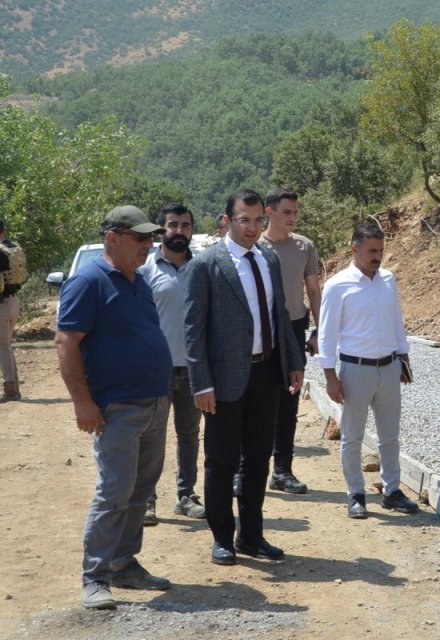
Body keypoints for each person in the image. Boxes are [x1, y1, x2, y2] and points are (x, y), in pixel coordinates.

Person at [56, 206, 172, 610]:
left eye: (149, 238)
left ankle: (124, 564)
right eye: (140, 238)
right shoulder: (88, 281)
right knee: (115, 492)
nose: (148, 245)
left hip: (155, 403)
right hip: (117, 407)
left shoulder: (137, 281)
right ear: (112, 238)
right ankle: (95, 577)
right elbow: (66, 341)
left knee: (140, 491)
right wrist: (83, 403)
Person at [184, 189, 304, 566]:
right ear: (227, 221)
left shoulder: (268, 258)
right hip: (223, 382)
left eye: (256, 220)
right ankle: (222, 538)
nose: (252, 228)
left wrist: (293, 361)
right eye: (244, 220)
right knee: (220, 462)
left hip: (267, 373)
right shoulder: (206, 265)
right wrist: (201, 383)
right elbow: (193, 329)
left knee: (257, 459)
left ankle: (251, 536)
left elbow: (280, 314)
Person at [316, 223, 420, 519]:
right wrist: (329, 375)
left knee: (390, 436)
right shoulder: (337, 285)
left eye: (381, 250)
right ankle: (356, 494)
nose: (378, 256)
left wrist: (404, 357)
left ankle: (392, 491)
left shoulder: (387, 279)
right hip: (355, 370)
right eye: (372, 251)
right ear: (355, 249)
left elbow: (396, 321)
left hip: (389, 368)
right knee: (352, 435)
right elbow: (327, 334)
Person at [137, 204, 206, 522]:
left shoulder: (202, 268)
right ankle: (146, 499)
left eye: (185, 225)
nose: (180, 230)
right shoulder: (146, 269)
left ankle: (185, 495)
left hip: (193, 367)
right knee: (151, 435)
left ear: (192, 230)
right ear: (161, 229)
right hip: (155, 368)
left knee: (190, 435)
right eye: (173, 225)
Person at [253, 188, 322, 495]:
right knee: (254, 402)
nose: (293, 218)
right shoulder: (253, 245)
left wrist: (321, 330)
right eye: (286, 212)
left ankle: (282, 471)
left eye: (295, 212)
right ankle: (248, 469)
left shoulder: (305, 247)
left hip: (294, 328)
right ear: (269, 213)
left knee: (288, 401)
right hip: (260, 332)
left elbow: (314, 291)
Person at [0, 217, 26, 402]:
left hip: (1, 304)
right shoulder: (13, 248)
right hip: (14, 301)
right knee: (6, 346)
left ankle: (11, 391)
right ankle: (14, 386)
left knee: (3, 347)